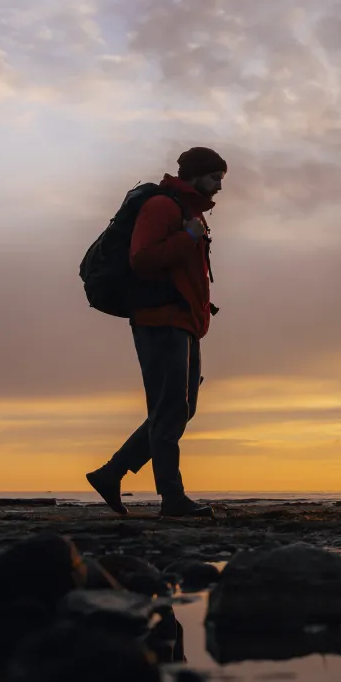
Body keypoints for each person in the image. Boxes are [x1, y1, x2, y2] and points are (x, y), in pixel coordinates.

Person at [86, 147, 226, 518]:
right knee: (168, 410)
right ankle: (173, 499)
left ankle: (111, 473)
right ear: (195, 175)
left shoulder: (188, 211)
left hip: (182, 321)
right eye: (215, 178)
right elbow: (141, 258)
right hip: (160, 319)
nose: (219, 187)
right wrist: (189, 237)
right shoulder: (163, 207)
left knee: (181, 408)